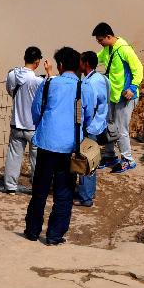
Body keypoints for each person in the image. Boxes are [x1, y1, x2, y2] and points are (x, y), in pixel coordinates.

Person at [24, 47, 99, 245]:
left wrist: (44, 126)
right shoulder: (84, 87)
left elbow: (36, 111)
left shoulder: (49, 84)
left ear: (60, 66)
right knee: (64, 193)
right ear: (78, 67)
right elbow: (89, 116)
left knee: (39, 189)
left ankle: (32, 231)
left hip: (46, 144)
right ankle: (54, 235)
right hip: (70, 147)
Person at [0, 46, 49, 195]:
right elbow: (45, 99)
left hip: (16, 123)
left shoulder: (12, 74)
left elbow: (10, 91)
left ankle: (10, 186)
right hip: (33, 126)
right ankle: (37, 185)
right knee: (36, 158)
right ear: (38, 61)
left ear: (24, 58)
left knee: (13, 156)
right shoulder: (38, 80)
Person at [94, 23, 144, 174]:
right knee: (109, 125)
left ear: (109, 37)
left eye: (101, 40)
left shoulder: (124, 49)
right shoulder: (108, 49)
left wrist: (133, 88)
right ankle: (109, 156)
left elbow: (138, 69)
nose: (100, 43)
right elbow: (96, 58)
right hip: (114, 95)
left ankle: (128, 160)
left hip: (126, 97)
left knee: (121, 129)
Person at [74, 51, 110, 208]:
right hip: (98, 124)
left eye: (81, 61)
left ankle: (86, 197)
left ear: (86, 64)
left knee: (86, 161)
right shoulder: (102, 78)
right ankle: (88, 192)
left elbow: (90, 106)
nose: (78, 64)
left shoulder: (91, 83)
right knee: (92, 160)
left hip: (91, 127)